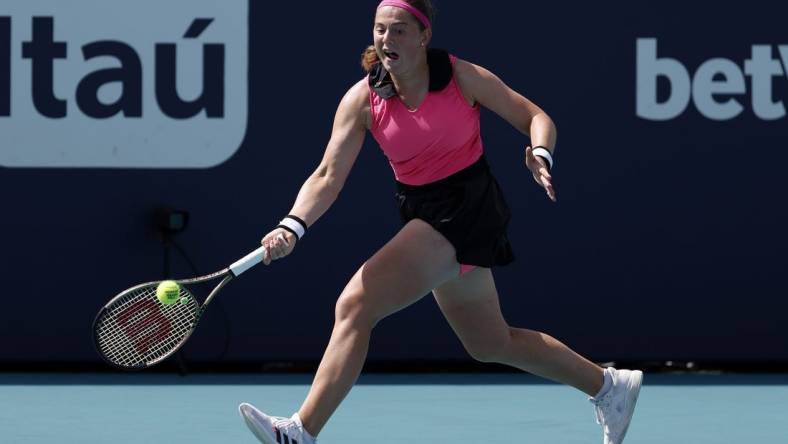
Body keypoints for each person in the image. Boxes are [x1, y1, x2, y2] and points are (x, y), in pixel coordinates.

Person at [239, 1, 642, 443]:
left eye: (398, 31)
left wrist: (540, 153)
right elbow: (328, 176)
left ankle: (301, 431)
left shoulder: (461, 76)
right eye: (379, 30)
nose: (386, 40)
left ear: (423, 35)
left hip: (466, 207)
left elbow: (535, 117)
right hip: (422, 208)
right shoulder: (362, 100)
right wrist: (292, 224)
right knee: (491, 343)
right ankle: (609, 387)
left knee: (355, 305)